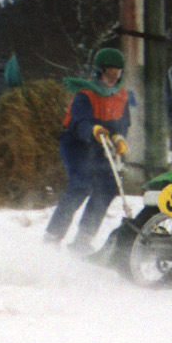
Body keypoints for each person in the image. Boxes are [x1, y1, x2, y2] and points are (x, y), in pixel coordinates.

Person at [45, 47, 136, 252]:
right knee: (81, 185)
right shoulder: (85, 94)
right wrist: (92, 129)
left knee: (108, 186)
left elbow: (122, 123)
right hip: (76, 144)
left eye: (117, 74)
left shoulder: (121, 96)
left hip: (102, 145)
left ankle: (84, 238)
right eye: (109, 73)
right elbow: (79, 123)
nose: (112, 78)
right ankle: (53, 235)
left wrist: (119, 137)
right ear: (98, 72)